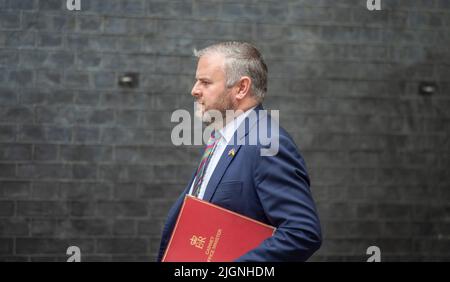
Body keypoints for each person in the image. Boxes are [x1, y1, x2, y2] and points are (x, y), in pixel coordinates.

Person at [157, 41, 322, 262]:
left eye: (205, 82)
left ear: (241, 88)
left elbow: (302, 233)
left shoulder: (266, 142)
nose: (194, 90)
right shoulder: (220, 138)